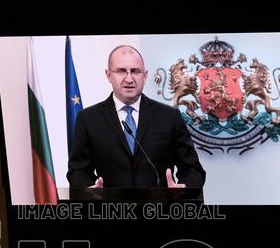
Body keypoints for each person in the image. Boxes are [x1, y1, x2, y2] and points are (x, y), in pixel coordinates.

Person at [66, 45, 206, 191]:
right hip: (110, 210)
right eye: (121, 71)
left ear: (144, 76)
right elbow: (78, 171)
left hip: (160, 209)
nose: (129, 79)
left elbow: (193, 169)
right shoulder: (88, 119)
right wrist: (90, 189)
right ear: (108, 75)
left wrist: (183, 189)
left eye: (135, 71)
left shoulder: (169, 117)